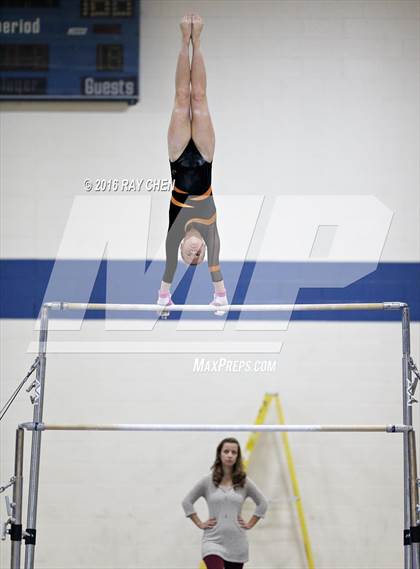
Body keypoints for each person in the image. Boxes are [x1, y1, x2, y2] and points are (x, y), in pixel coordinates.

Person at [157, 14, 228, 312]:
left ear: (183, 252)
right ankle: (196, 41)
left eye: (191, 257)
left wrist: (163, 300)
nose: (195, 254)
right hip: (204, 157)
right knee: (199, 98)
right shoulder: (211, 236)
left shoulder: (174, 237)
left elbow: (165, 284)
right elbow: (220, 290)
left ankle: (182, 40)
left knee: (180, 97)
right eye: (199, 257)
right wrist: (220, 299)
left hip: (178, 159)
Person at [182, 437, 268, 569]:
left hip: (237, 542)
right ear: (219, 454)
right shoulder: (207, 481)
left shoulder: (244, 482)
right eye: (226, 451)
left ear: (237, 456)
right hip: (212, 540)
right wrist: (199, 523)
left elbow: (262, 503)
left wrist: (250, 523)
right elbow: (187, 502)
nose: (229, 455)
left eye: (234, 452)